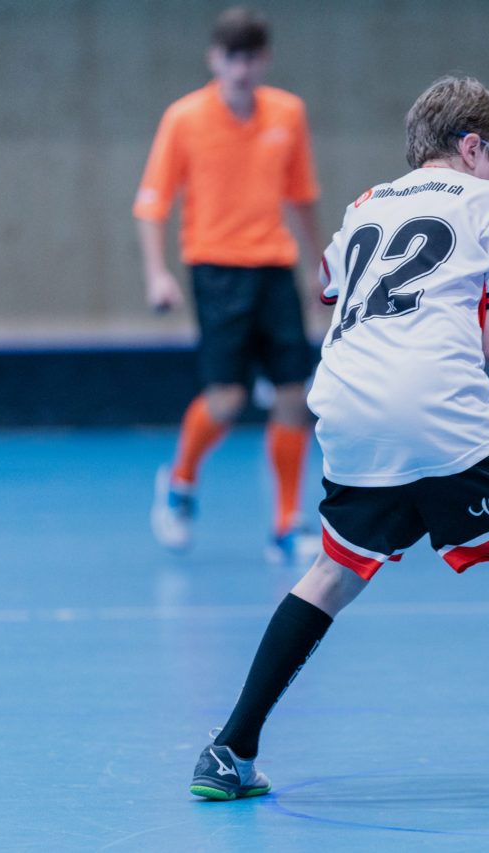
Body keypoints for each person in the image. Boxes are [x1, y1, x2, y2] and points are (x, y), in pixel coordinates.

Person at [187, 75, 489, 818]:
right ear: (471, 147)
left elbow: (334, 290)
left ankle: (229, 748)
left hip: (347, 410)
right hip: (441, 411)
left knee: (333, 571)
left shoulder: (361, 209)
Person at [134, 7, 325, 563]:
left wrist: (319, 264)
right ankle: (180, 480)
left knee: (293, 396)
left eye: (250, 58)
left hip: (274, 268)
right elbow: (152, 202)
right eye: (230, 57)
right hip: (215, 271)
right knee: (227, 398)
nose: (240, 69)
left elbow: (301, 195)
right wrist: (156, 273)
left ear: (262, 60)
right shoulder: (184, 118)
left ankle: (286, 523)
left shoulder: (288, 114)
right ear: (215, 59)